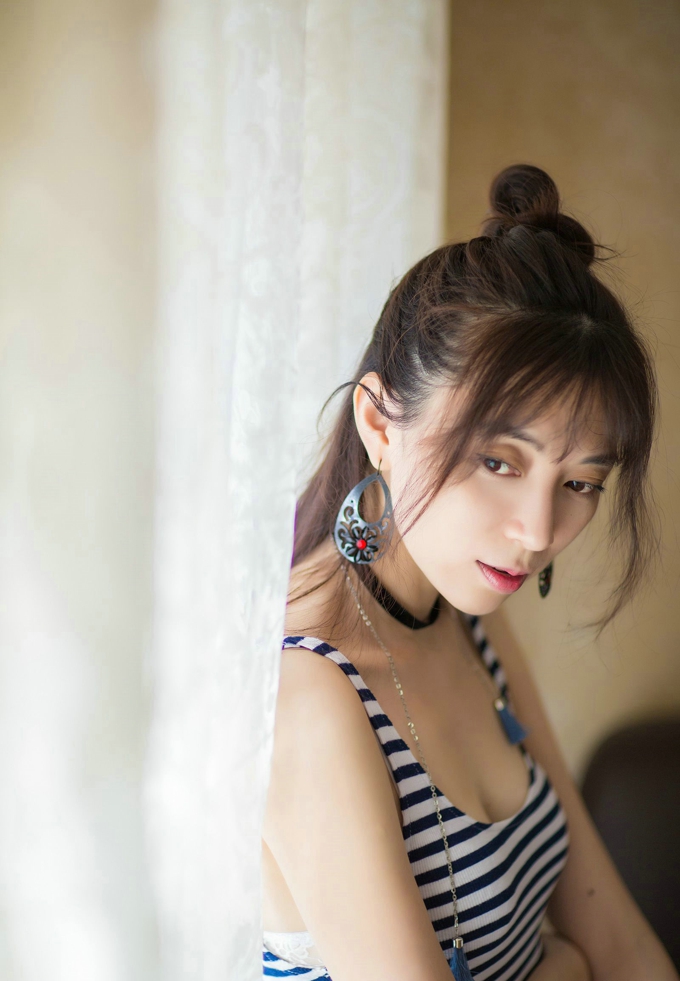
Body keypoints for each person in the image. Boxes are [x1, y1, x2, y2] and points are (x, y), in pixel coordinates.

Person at [262, 165, 678, 981]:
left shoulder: (467, 615)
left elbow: (613, 931)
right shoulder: (308, 695)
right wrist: (563, 970)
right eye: (498, 461)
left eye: (580, 483)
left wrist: (580, 959)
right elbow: (584, 956)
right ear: (380, 423)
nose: (538, 531)